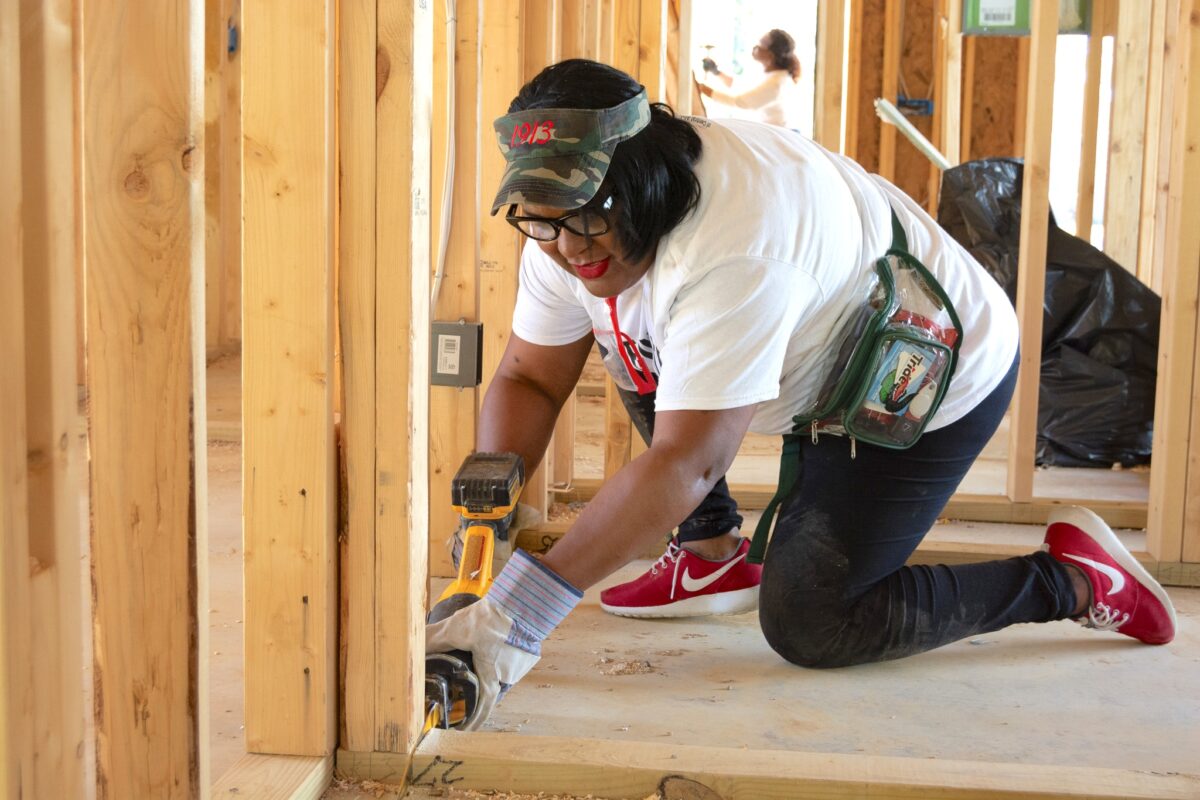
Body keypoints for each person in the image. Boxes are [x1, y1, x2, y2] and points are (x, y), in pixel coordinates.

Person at [424, 58, 1178, 731]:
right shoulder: (569, 229)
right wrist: (493, 516)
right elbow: (529, 375)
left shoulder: (735, 246)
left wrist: (519, 616)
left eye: (587, 218)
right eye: (544, 224)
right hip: (805, 354)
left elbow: (687, 461)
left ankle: (1072, 580)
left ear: (646, 175)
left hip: (921, 374)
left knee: (814, 621)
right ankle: (712, 552)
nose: (570, 248)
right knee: (632, 335)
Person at [698, 29, 802, 128]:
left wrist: (702, 89)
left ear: (770, 55)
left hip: (773, 141)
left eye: (759, 45)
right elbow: (738, 85)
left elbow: (740, 102)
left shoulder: (777, 83)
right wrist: (716, 72)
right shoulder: (771, 74)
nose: (754, 47)